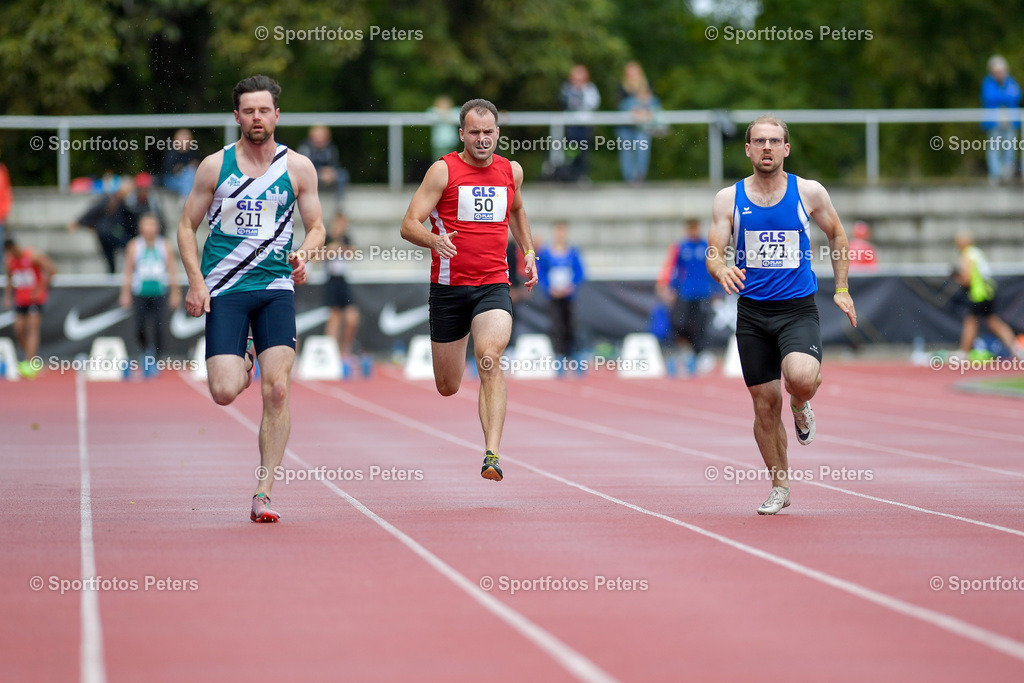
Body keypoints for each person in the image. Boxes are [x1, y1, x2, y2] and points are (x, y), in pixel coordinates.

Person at [177, 75, 326, 523]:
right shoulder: (214, 167)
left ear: (277, 114)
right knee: (224, 391)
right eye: (249, 111)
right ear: (237, 116)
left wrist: (304, 254)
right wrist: (196, 282)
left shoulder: (298, 167)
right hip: (226, 288)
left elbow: (317, 227)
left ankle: (264, 491)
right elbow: (186, 227)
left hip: (276, 288)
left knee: (277, 389)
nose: (257, 118)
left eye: (264, 110)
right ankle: (243, 355)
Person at [706, 114, 857, 516]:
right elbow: (714, 251)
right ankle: (780, 485)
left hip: (796, 309)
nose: (767, 147)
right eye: (759, 141)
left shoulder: (809, 192)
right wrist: (721, 269)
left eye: (774, 141)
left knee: (801, 380)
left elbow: (837, 234)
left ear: (786, 148)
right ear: (748, 149)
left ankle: (801, 404)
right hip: (753, 314)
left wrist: (842, 288)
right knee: (764, 405)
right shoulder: (728, 199)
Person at [400, 98, 538, 482]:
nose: (482, 139)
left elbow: (517, 210)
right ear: (462, 134)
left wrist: (528, 251)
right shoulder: (443, 171)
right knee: (448, 385)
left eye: (488, 132)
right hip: (448, 289)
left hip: (493, 285)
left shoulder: (511, 171)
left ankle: (492, 453)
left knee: (489, 358)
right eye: (474, 132)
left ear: (498, 133)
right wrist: (433, 240)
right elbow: (408, 224)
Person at [119, 213, 181, 376]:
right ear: (140, 227)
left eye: (152, 225)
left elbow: (172, 270)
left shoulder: (164, 245)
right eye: (146, 225)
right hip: (140, 292)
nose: (149, 228)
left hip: (159, 292)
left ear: (157, 227)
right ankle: (144, 352)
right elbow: (128, 270)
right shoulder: (134, 246)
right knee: (139, 326)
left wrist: (175, 292)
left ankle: (157, 358)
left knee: (160, 326)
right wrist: (125, 293)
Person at [954, 231, 1024, 359]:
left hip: (979, 294)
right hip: (988, 292)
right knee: (993, 322)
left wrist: (957, 278)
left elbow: (967, 278)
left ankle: (964, 352)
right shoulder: (977, 253)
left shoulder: (967, 255)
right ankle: (1016, 349)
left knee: (971, 321)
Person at [657, 218, 713, 374]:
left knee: (701, 325)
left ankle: (699, 355)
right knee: (681, 323)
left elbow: (714, 268)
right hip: (686, 292)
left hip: (703, 292)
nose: (693, 231)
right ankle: (684, 351)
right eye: (691, 228)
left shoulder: (707, 246)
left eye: (695, 228)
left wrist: (717, 290)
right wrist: (670, 287)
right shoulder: (680, 247)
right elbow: (673, 268)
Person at [3, 237, 57, 379]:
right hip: (21, 300)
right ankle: (32, 358)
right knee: (19, 330)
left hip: (35, 299)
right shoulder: (10, 261)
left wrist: (40, 289)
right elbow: (9, 278)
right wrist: (8, 296)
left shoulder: (32, 256)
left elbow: (52, 270)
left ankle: (30, 362)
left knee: (32, 329)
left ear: (15, 247)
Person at [537, 221, 585, 359]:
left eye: (563, 231)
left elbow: (580, 272)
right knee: (556, 325)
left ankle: (574, 353)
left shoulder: (573, 252)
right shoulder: (546, 253)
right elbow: (541, 272)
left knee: (571, 324)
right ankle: (559, 354)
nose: (560, 235)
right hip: (553, 295)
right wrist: (549, 288)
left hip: (569, 295)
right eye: (558, 231)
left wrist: (571, 286)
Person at [68, 181, 134, 273]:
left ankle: (114, 272)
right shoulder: (110, 199)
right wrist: (78, 222)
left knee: (113, 257)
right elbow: (93, 210)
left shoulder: (122, 202)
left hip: (111, 233)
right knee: (117, 253)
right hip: (108, 233)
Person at [322, 213, 360, 358]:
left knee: (352, 317)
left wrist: (339, 249)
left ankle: (345, 349)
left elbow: (353, 253)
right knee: (334, 317)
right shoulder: (326, 238)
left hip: (343, 280)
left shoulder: (346, 239)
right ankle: (331, 351)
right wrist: (330, 250)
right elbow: (318, 257)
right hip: (331, 279)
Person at [616, 62, 661, 183]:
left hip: (642, 126)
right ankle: (629, 178)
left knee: (642, 149)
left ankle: (640, 176)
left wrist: (643, 111)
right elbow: (620, 106)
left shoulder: (647, 85)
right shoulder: (621, 87)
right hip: (626, 127)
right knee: (627, 152)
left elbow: (654, 104)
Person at [980, 56, 1021, 185]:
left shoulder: (1011, 82)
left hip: (1010, 122)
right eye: (996, 71)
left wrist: (1001, 97)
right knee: (994, 148)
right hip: (994, 123)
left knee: (1010, 148)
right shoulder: (988, 83)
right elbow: (989, 98)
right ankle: (995, 175)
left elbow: (1017, 96)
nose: (999, 74)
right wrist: (1004, 96)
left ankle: (1007, 174)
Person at [558, 65, 601, 182]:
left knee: (583, 152)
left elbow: (592, 104)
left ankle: (582, 175)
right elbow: (564, 103)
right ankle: (568, 174)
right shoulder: (566, 89)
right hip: (571, 126)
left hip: (585, 126)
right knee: (571, 150)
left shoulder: (590, 88)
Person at [298, 125, 349, 207]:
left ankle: (340, 207)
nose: (319, 139)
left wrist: (330, 172)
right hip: (312, 175)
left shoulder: (331, 148)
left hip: (328, 175)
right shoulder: (305, 148)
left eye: (322, 136)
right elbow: (302, 168)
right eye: (317, 136)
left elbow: (335, 164)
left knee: (342, 175)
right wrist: (319, 173)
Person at [161, 129, 200, 197]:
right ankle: (187, 199)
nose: (185, 143)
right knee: (188, 177)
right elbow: (171, 171)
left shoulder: (192, 153)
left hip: (188, 179)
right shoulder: (171, 153)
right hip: (171, 180)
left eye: (187, 141)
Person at [428, 95, 460, 161]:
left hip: (451, 142)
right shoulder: (434, 111)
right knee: (439, 161)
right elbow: (430, 116)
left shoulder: (454, 112)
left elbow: (459, 118)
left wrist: (444, 116)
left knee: (452, 161)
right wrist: (444, 116)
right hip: (439, 143)